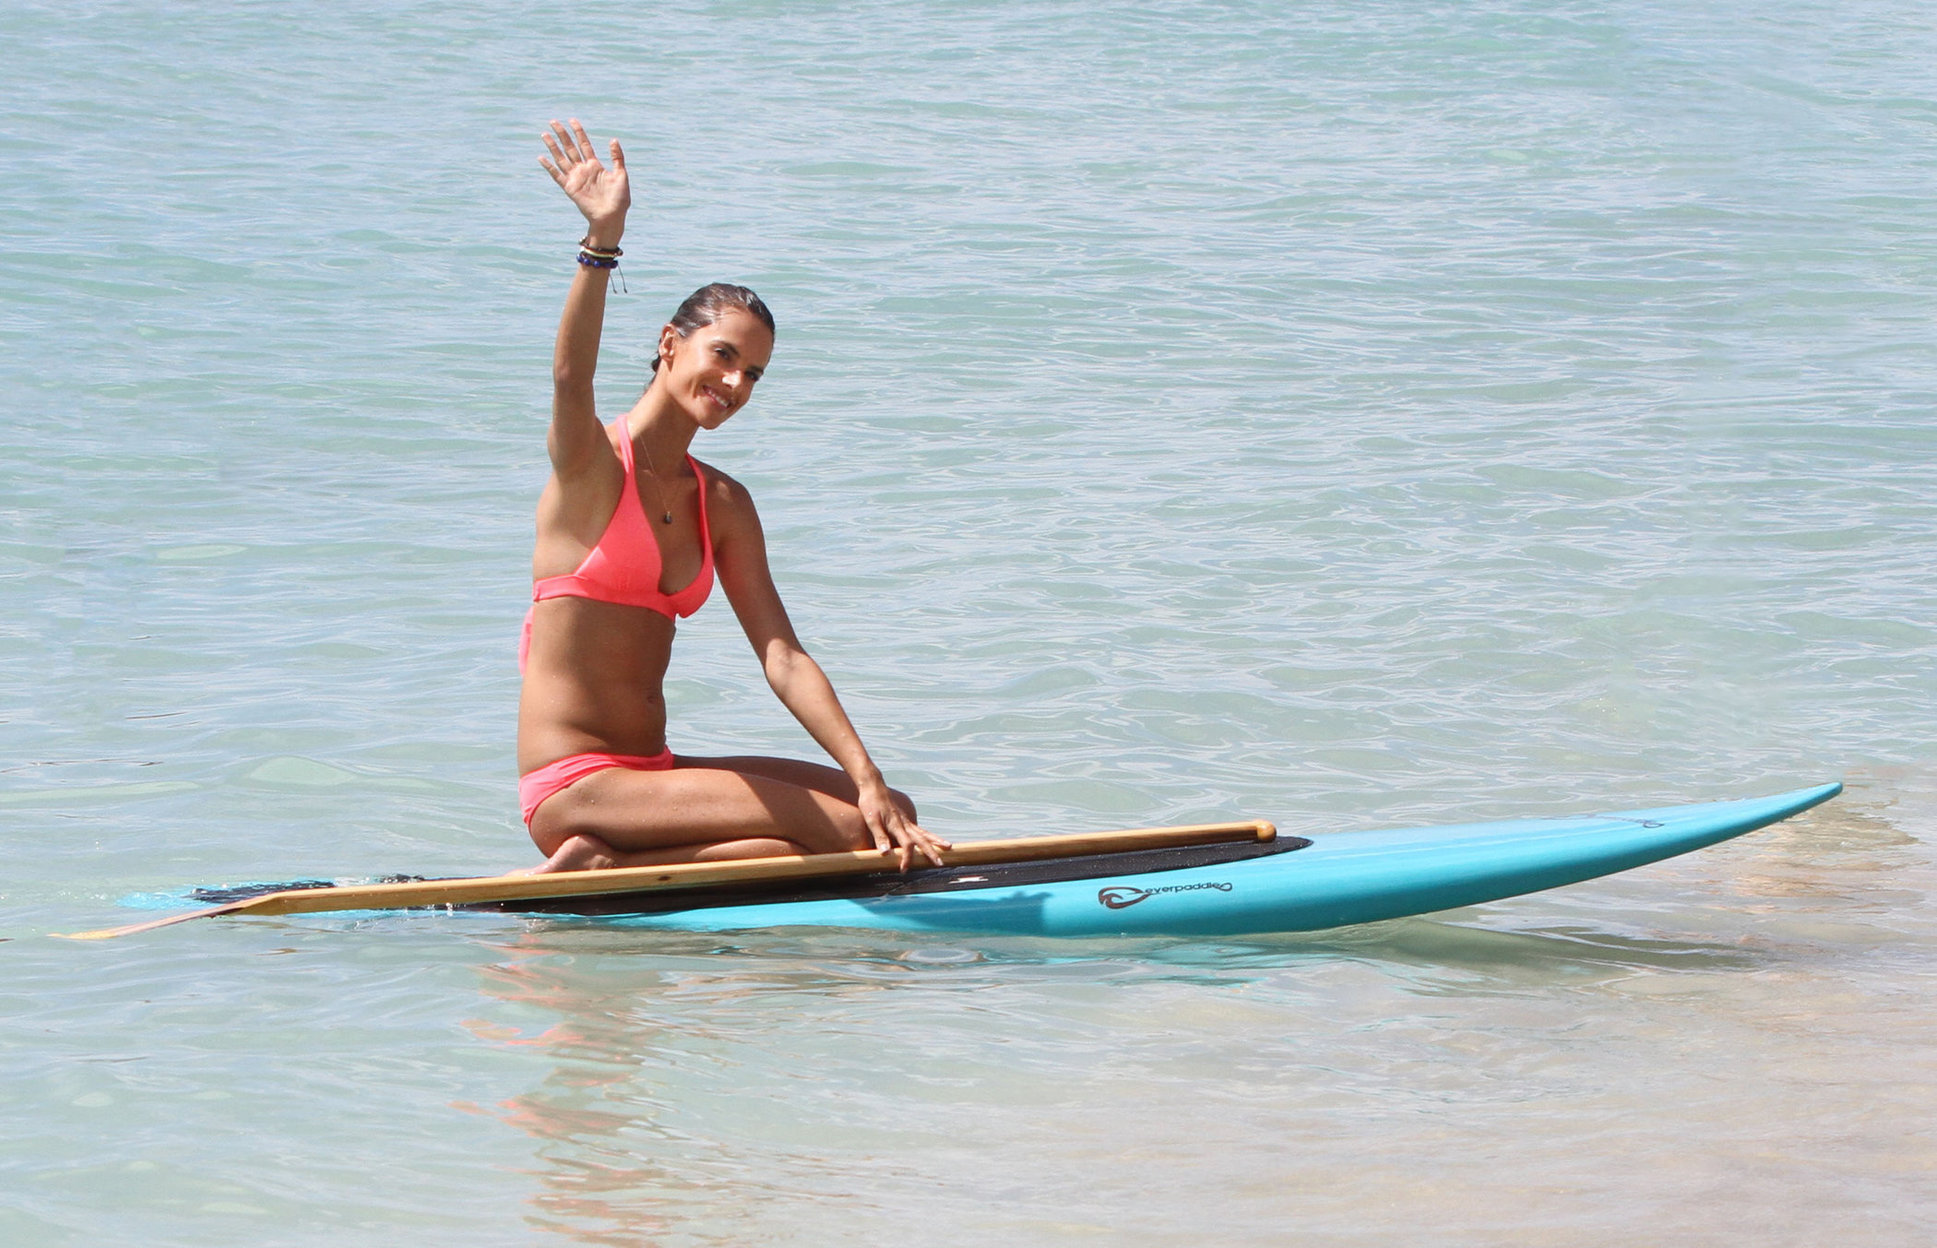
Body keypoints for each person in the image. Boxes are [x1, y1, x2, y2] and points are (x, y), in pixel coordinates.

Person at [517, 119, 947, 874]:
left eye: (753, 373)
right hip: (576, 785)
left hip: (653, 771)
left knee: (890, 810)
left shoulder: (723, 502)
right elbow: (568, 379)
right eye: (724, 355)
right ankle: (596, 846)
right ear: (668, 343)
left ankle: (605, 865)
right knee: (850, 831)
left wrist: (868, 775)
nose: (735, 383)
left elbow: (780, 654)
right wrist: (601, 243)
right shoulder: (590, 464)